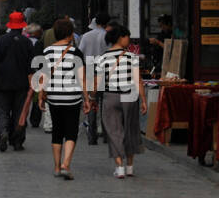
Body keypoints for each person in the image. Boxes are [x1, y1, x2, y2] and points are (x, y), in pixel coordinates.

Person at [36, 17, 90, 179]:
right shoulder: (76, 52)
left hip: (54, 98)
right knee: (71, 132)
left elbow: (42, 77)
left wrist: (40, 96)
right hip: (73, 98)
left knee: (57, 131)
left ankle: (57, 167)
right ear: (70, 34)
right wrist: (86, 98)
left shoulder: (46, 52)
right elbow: (82, 78)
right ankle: (66, 164)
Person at [91, 22, 147, 178]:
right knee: (131, 129)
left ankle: (119, 166)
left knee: (113, 130)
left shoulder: (102, 57)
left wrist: (92, 97)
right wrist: (143, 99)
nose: (128, 40)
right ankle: (130, 167)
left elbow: (97, 81)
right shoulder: (131, 57)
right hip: (130, 96)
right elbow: (138, 80)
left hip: (111, 96)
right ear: (120, 38)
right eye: (127, 36)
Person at [0, 11, 34, 152]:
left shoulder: (2, 40)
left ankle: (3, 132)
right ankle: (18, 141)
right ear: (22, 26)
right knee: (20, 111)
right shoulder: (27, 42)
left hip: (3, 82)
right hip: (22, 83)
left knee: (3, 110)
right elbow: (31, 65)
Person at [78, 12, 110, 145]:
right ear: (106, 23)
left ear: (95, 22)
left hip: (90, 68)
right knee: (105, 103)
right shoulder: (107, 36)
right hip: (105, 69)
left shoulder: (86, 36)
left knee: (91, 102)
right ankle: (106, 135)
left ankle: (92, 136)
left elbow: (80, 53)